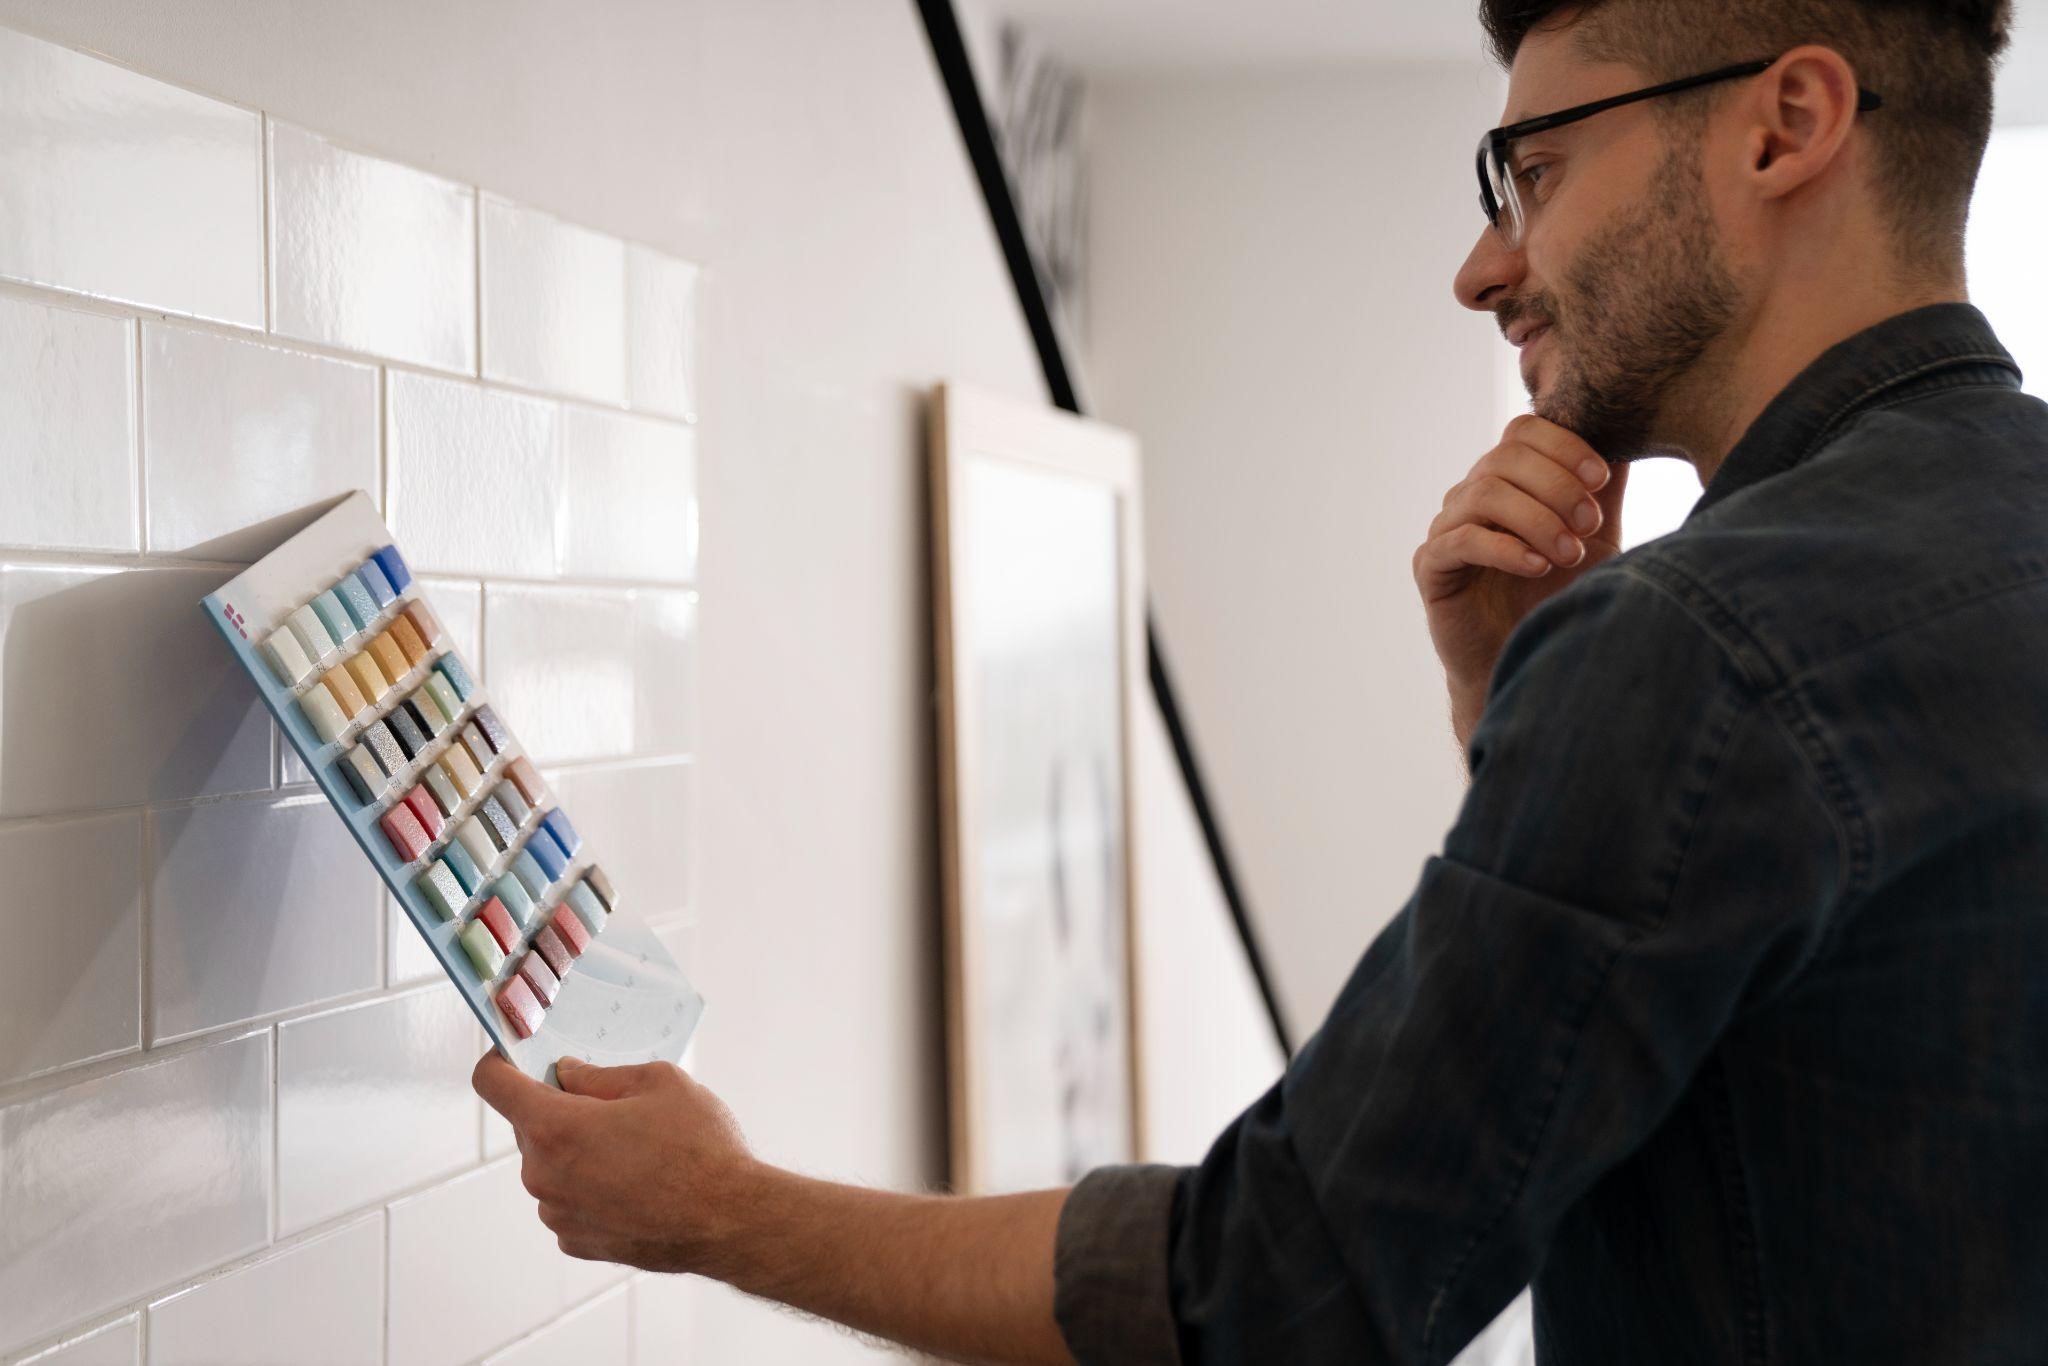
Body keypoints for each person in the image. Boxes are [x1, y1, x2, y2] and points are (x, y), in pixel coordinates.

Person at [474, 0, 2046, 1360]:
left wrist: (722, 1213)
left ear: (1788, 125)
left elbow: (1284, 1293)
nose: (1485, 266)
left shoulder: (1695, 643)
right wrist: (1516, 714)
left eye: (1536, 170)